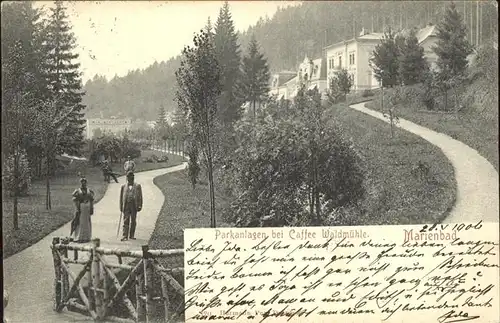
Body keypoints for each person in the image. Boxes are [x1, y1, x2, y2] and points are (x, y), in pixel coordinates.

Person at [119, 171, 143, 241]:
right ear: (127, 178)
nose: (131, 178)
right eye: (129, 177)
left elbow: (140, 197)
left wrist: (140, 205)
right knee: (126, 220)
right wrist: (121, 206)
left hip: (134, 205)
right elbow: (121, 198)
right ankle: (125, 235)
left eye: (132, 177)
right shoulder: (123, 186)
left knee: (133, 220)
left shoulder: (137, 186)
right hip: (126, 205)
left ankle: (131, 235)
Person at [71, 177, 94, 243]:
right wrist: (77, 208)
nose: (83, 183)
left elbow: (91, 200)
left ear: (86, 183)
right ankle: (79, 236)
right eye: (82, 182)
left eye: (84, 182)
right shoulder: (77, 191)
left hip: (87, 207)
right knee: (80, 221)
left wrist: (92, 208)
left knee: (87, 221)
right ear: (80, 183)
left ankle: (87, 237)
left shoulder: (89, 191)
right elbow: (74, 199)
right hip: (81, 206)